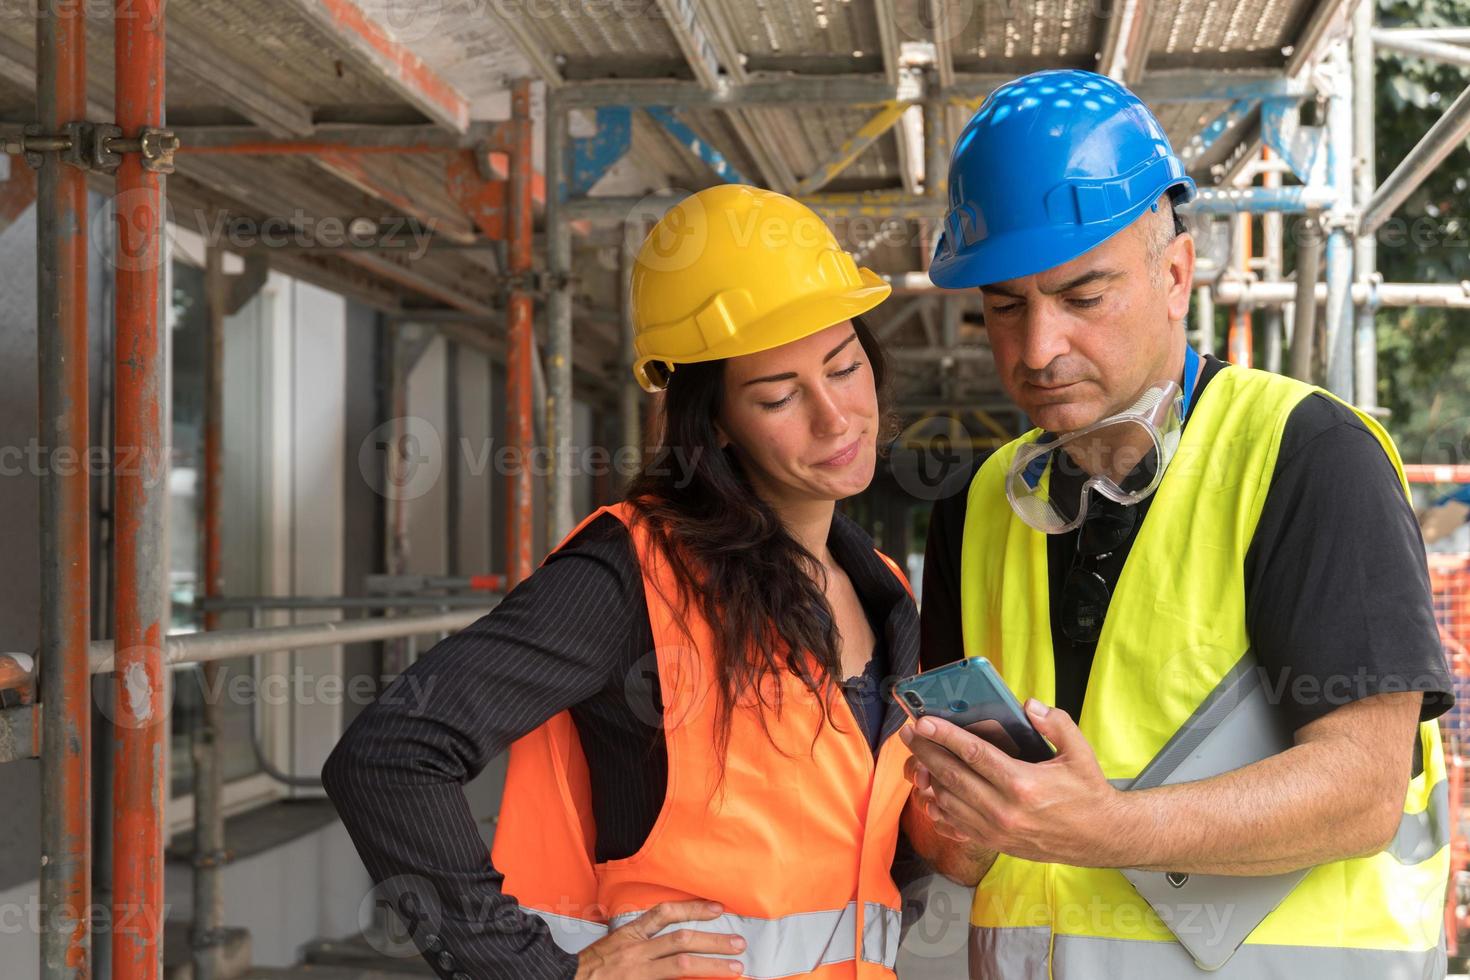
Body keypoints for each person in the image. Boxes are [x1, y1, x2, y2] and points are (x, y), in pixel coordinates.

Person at [905, 69, 1455, 977]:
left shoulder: (1308, 456)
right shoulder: (976, 507)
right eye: (1004, 306)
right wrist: (961, 822)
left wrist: (1106, 827)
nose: (1037, 350)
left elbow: (1362, 791)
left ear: (1175, 273)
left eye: (1083, 297)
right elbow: (957, 841)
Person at [323, 185, 942, 980]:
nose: (836, 416)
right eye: (780, 395)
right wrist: (542, 973)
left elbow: (854, 860)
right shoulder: (630, 575)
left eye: (844, 366)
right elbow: (387, 758)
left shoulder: (883, 589)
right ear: (715, 422)